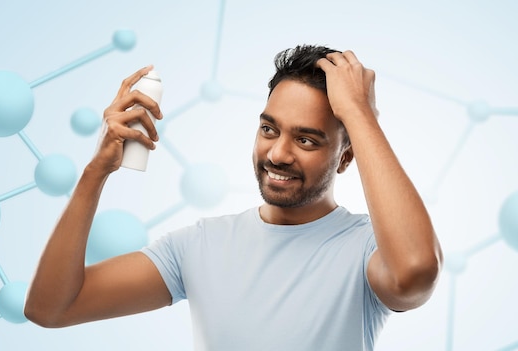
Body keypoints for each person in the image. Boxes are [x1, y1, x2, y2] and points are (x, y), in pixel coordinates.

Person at [24, 45, 443, 350]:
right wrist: (96, 171)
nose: (278, 153)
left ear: (345, 156)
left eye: (307, 139)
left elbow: (415, 273)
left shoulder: (367, 249)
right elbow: (52, 308)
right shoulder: (199, 245)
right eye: (269, 129)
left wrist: (360, 114)